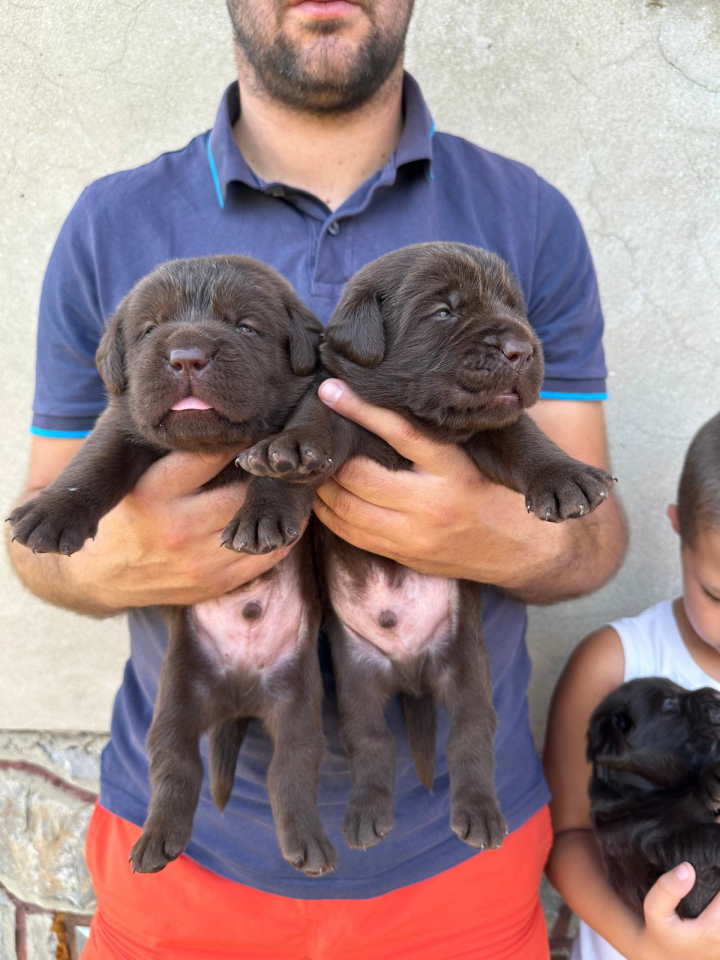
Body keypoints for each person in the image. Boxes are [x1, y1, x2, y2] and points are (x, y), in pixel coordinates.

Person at [8, 2, 626, 957]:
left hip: (459, 861)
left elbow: (593, 529)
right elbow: (39, 545)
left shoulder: (525, 213)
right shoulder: (111, 222)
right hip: (187, 864)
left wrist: (484, 533)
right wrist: (135, 557)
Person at [545, 410, 720, 959]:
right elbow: (565, 836)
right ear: (678, 527)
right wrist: (646, 946)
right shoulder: (616, 664)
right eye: (718, 596)